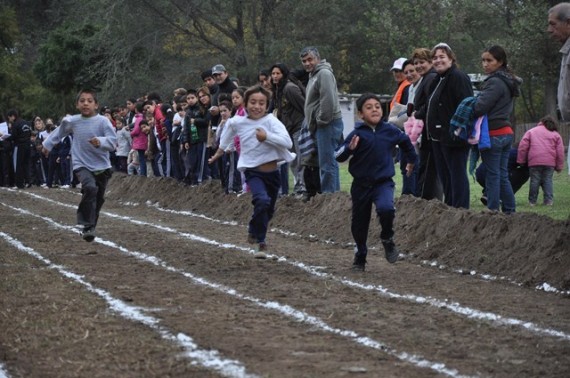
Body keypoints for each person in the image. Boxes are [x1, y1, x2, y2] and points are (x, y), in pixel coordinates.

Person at [208, 85, 295, 253]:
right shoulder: (237, 122)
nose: (257, 106)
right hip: (253, 171)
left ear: (267, 105)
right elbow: (226, 138)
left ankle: (255, 230)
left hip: (273, 173)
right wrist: (218, 153)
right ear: (245, 104)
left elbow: (288, 142)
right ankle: (260, 239)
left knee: (268, 210)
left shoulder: (271, 121)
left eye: (262, 103)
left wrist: (266, 137)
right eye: (253, 102)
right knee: (261, 200)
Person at [335, 93, 416, 271]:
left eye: (377, 106)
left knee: (386, 209)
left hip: (383, 182)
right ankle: (360, 256)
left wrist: (411, 160)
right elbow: (338, 156)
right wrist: (349, 149)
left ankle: (387, 238)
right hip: (361, 185)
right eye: (369, 107)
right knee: (359, 223)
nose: (374, 109)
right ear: (360, 114)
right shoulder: (356, 134)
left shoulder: (390, 130)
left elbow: (406, 143)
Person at [42, 89, 117, 242]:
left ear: (96, 105)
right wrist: (47, 145)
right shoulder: (73, 121)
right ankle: (86, 224)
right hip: (81, 163)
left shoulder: (103, 121)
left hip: (102, 165)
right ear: (77, 105)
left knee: (98, 198)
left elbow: (113, 141)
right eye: (82, 100)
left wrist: (100, 142)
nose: (85, 103)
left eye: (90, 101)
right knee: (90, 188)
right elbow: (59, 132)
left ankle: (90, 226)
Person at [424, 43, 473, 209]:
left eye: (442, 57)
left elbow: (467, 105)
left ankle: (461, 210)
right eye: (435, 58)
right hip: (438, 137)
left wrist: (457, 130)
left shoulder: (458, 77)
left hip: (454, 137)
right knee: (446, 177)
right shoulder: (437, 80)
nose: (438, 61)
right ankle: (450, 208)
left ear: (451, 58)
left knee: (457, 175)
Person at [472, 45, 520, 213]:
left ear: (500, 62)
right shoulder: (508, 81)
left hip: (493, 134)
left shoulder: (494, 82)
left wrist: (470, 104)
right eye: (483, 60)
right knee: (501, 174)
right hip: (506, 133)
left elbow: (480, 107)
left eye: (489, 60)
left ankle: (493, 212)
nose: (485, 64)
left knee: (492, 175)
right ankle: (509, 211)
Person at [301, 46, 344, 193]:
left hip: (328, 124)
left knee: (327, 164)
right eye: (304, 61)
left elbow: (328, 100)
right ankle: (334, 196)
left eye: (310, 59)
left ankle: (329, 197)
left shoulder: (323, 73)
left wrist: (321, 121)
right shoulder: (313, 75)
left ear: (318, 58)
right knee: (327, 162)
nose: (307, 63)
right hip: (321, 126)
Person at [270, 62, 307, 197]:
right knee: (291, 159)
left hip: (298, 126)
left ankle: (303, 188)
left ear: (284, 74)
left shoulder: (289, 88)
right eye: (273, 73)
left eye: (277, 73)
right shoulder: (277, 90)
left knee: (300, 159)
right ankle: (298, 186)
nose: (274, 76)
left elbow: (304, 106)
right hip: (287, 130)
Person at [517, 116, 565, 206]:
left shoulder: (531, 131)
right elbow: (560, 152)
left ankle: (532, 201)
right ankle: (548, 201)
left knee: (534, 181)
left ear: (541, 122)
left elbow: (523, 147)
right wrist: (559, 166)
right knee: (547, 180)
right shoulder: (555, 134)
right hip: (549, 162)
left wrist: (521, 160)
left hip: (534, 161)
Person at [7, 109, 32, 189]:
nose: (9, 120)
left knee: (19, 165)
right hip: (28, 145)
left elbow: (14, 136)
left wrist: (5, 137)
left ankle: (19, 184)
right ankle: (28, 181)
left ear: (13, 116)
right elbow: (30, 133)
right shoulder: (26, 123)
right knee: (26, 164)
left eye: (9, 118)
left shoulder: (15, 124)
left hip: (20, 146)